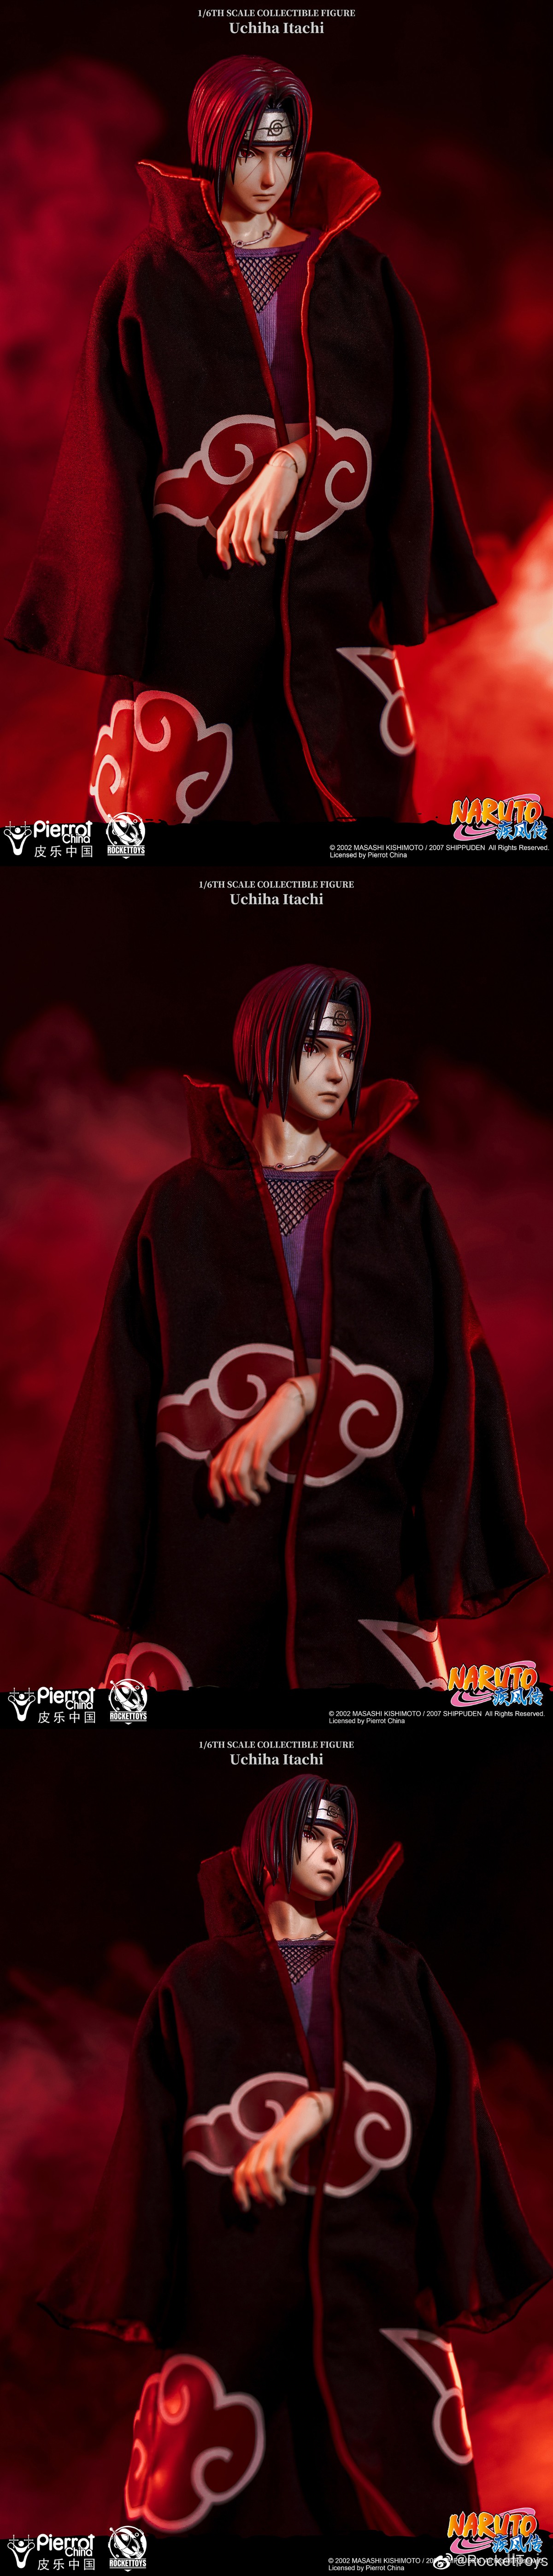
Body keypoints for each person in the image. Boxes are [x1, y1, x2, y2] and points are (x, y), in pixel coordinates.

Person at [2, 962, 546, 1692]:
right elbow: (124, 1389)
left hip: (364, 1556)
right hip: (206, 1554)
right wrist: (116, 1559)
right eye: (316, 1047)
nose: (337, 1070)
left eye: (349, 1051)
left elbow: (444, 1369)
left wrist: (303, 1396)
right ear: (266, 1047)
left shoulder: (399, 1203)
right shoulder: (179, 1207)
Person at [41, 1776, 552, 2538]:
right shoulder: (197, 1982)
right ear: (270, 1844)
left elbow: (439, 2103)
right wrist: (148, 2272)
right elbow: (153, 2139)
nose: (332, 1852)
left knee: (394, 2506)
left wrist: (323, 2108)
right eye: (314, 1833)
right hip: (237, 2276)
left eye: (341, 1839)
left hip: (375, 2274)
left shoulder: (395, 1973)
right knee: (221, 2500)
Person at [5, 55, 496, 826]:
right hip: (196, 595)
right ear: (213, 147)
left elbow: (392, 421)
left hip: (331, 585)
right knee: (176, 803)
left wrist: (295, 461)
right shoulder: (151, 280)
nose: (269, 175)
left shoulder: (357, 276)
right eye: (249, 152)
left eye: (283, 151)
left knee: (349, 795)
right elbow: (111, 452)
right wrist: (115, 602)